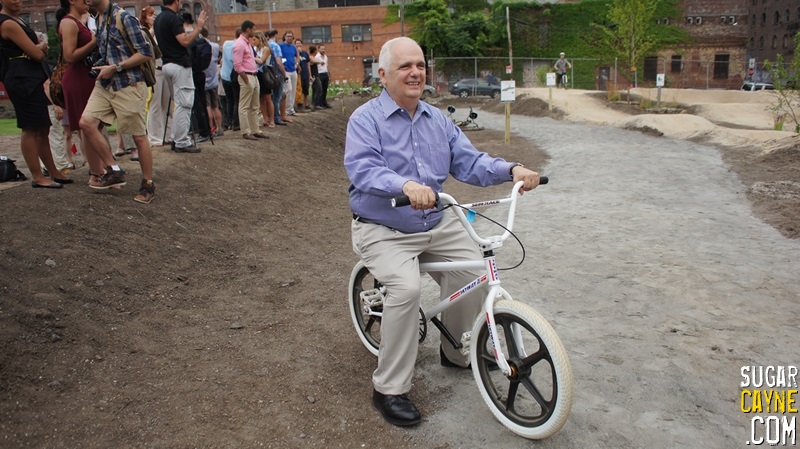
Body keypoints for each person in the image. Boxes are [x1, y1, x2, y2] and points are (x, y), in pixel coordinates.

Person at [343, 36, 542, 427]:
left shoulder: (438, 120)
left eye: (419, 65)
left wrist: (512, 170)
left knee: (474, 271)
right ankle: (389, 388)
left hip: (436, 220)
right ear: (383, 75)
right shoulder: (365, 120)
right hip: (383, 227)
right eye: (404, 66)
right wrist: (404, 185)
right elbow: (363, 169)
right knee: (406, 289)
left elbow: (470, 162)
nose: (415, 72)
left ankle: (457, 350)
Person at [77, 0, 156, 203]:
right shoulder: (98, 18)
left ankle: (148, 184)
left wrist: (116, 67)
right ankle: (114, 170)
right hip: (105, 83)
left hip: (127, 83)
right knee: (86, 122)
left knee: (138, 137)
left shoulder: (123, 17)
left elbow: (146, 52)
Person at [0, 0, 71, 188]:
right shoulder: (7, 23)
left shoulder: (18, 20)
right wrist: (40, 47)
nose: (16, 1)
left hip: (32, 76)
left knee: (43, 127)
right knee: (30, 127)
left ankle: (53, 171)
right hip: (22, 78)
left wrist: (38, 48)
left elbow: (36, 51)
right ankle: (37, 176)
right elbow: (37, 53)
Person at [153, 0, 207, 153]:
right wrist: (198, 28)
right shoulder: (173, 18)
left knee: (179, 103)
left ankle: (175, 137)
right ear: (176, 1)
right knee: (185, 103)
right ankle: (181, 141)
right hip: (179, 65)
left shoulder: (159, 19)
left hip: (167, 64)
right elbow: (184, 40)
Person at [233, 20, 268, 141]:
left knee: (254, 105)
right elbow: (237, 65)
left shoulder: (247, 43)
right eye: (253, 29)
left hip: (253, 74)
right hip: (247, 75)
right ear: (248, 29)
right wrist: (245, 78)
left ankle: (255, 129)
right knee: (244, 105)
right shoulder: (240, 44)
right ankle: (246, 131)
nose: (254, 31)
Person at [142, 5, 171, 147]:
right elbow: (148, 40)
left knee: (167, 104)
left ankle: (167, 134)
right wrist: (154, 28)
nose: (154, 16)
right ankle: (153, 137)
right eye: (150, 15)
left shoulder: (160, 30)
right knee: (155, 104)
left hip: (165, 68)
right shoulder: (146, 31)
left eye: (154, 14)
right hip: (156, 70)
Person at [202, 28, 222, 137]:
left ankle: (210, 129)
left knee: (207, 106)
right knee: (215, 106)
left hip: (204, 80)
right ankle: (219, 127)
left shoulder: (200, 46)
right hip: (214, 80)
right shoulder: (215, 46)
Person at [266, 29, 288, 126]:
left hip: (266, 74)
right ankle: (276, 117)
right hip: (276, 74)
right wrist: (284, 74)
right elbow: (279, 62)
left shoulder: (265, 45)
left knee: (267, 97)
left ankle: (269, 117)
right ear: (275, 35)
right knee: (277, 97)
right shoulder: (275, 46)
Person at [220, 28, 240, 131]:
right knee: (236, 99)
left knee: (228, 100)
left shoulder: (226, 43)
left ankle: (227, 122)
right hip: (234, 76)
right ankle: (235, 122)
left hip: (224, 75)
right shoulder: (238, 46)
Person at [252, 31, 273, 127]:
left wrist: (252, 57)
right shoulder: (254, 49)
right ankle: (265, 119)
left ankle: (271, 119)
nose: (253, 41)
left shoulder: (266, 49)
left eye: (255, 39)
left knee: (268, 97)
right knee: (261, 98)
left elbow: (262, 61)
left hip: (264, 74)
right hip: (257, 74)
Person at [279, 30, 298, 117]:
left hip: (293, 70)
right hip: (285, 70)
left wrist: (297, 63)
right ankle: (286, 109)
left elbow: (297, 56)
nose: (289, 38)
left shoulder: (293, 47)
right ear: (285, 37)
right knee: (288, 89)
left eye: (291, 36)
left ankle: (291, 108)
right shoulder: (281, 46)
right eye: (288, 36)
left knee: (293, 90)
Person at [295, 39, 311, 112]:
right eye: (297, 43)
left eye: (299, 43)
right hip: (298, 73)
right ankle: (299, 104)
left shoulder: (305, 53)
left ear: (302, 44)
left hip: (305, 73)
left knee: (306, 90)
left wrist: (310, 74)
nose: (298, 44)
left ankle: (306, 104)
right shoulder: (294, 53)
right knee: (299, 89)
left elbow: (308, 64)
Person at [309, 45, 323, 111]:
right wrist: (320, 62)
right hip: (314, 76)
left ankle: (314, 104)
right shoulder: (311, 57)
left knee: (315, 89)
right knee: (319, 88)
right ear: (315, 51)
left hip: (316, 75)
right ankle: (315, 104)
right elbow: (314, 61)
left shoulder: (313, 57)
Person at [316, 44, 331, 108]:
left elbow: (326, 65)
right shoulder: (317, 57)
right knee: (320, 89)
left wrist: (328, 73)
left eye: (324, 49)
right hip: (320, 73)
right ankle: (320, 103)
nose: (323, 50)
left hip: (325, 73)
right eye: (322, 49)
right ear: (319, 49)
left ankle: (324, 102)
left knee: (325, 89)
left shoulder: (325, 57)